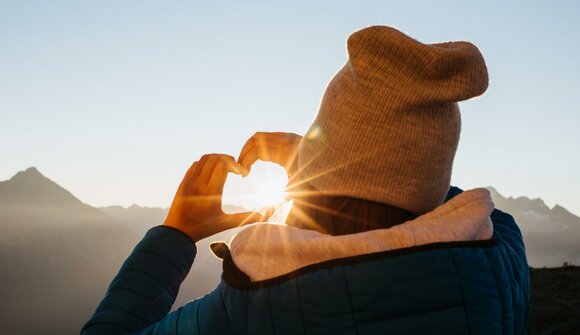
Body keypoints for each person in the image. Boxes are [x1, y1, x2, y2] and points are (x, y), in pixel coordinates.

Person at [82, 26, 530, 334]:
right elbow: (439, 202)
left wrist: (176, 233)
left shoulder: (259, 305)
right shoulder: (501, 258)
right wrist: (325, 164)